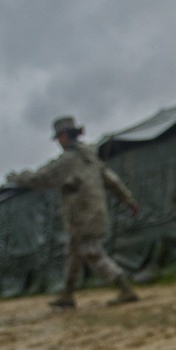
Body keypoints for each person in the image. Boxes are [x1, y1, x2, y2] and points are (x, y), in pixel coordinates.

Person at [9, 116, 140, 307]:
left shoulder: (69, 160)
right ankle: (68, 295)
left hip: (83, 216)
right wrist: (129, 202)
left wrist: (17, 178)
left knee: (92, 252)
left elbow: (43, 177)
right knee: (72, 254)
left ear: (63, 136)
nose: (58, 143)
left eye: (59, 138)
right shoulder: (90, 159)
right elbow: (113, 181)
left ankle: (125, 288)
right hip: (88, 215)